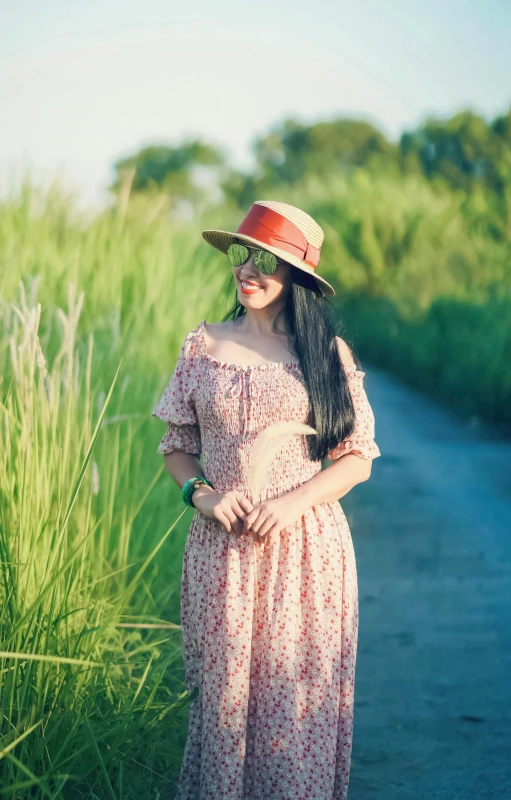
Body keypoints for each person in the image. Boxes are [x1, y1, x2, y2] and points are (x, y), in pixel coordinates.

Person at [152, 199, 381, 799]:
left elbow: (357, 457)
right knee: (222, 707)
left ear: (297, 277)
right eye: (242, 253)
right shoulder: (201, 346)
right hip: (220, 553)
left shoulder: (327, 355)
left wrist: (293, 502)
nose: (248, 270)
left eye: (268, 261)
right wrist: (199, 494)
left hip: (305, 554)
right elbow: (176, 446)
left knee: (293, 712)